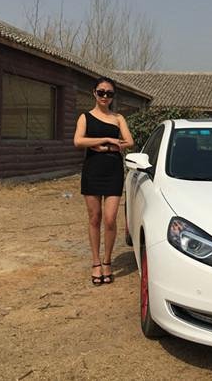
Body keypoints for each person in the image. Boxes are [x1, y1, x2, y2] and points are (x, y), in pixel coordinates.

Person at [73, 77, 134, 285]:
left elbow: (129, 141)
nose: (105, 96)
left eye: (109, 93)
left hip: (113, 171)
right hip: (92, 170)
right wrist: (107, 139)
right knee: (94, 218)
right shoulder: (85, 117)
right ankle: (96, 263)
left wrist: (106, 147)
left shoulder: (118, 118)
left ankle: (107, 261)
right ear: (94, 93)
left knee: (110, 218)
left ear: (113, 96)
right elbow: (78, 140)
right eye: (101, 92)